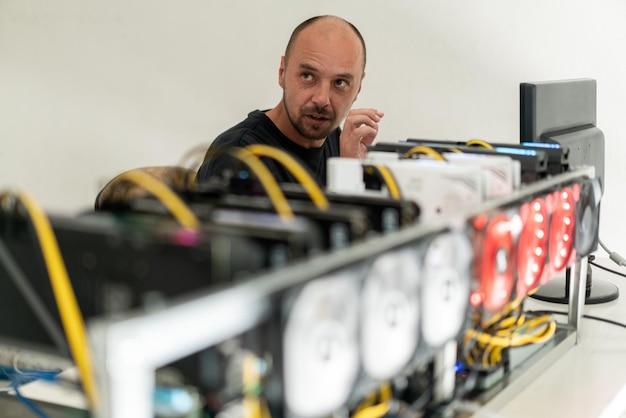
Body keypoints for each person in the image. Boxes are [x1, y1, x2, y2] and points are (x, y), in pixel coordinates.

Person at [196, 15, 384, 187]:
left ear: (358, 88)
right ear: (282, 73)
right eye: (308, 76)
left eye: (340, 83)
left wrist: (353, 173)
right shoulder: (240, 157)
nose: (321, 99)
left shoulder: (338, 142)